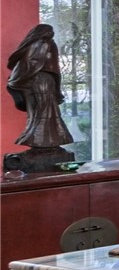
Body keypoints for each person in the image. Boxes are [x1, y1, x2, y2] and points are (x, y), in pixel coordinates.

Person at [6, 23, 75, 170]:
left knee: (43, 111)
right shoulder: (42, 44)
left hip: (40, 82)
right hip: (41, 82)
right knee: (43, 111)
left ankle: (46, 141)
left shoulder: (43, 44)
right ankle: (42, 140)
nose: (52, 34)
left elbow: (32, 64)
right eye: (50, 31)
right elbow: (32, 64)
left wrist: (19, 80)